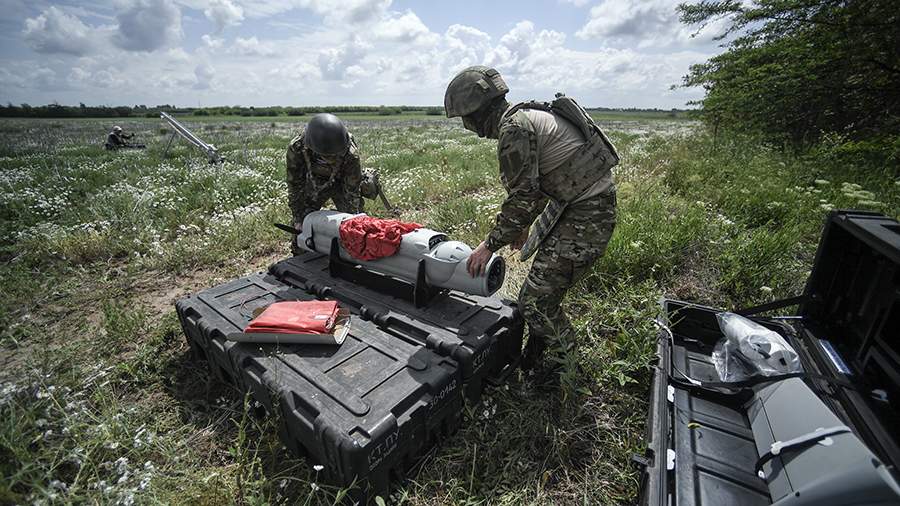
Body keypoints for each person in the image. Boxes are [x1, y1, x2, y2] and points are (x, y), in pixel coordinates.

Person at [444, 65, 619, 373]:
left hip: (586, 215)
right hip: (577, 207)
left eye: (463, 118)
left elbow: (523, 197)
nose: (465, 126)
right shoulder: (523, 115)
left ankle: (567, 369)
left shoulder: (514, 129)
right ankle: (534, 361)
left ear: (476, 112)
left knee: (536, 303)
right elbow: (535, 188)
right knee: (538, 294)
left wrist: (488, 246)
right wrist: (522, 225)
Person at [286, 113, 383, 230]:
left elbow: (352, 191)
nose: (331, 159)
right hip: (315, 183)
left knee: (354, 224)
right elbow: (295, 184)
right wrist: (298, 218)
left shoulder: (351, 154)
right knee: (301, 224)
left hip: (341, 182)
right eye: (326, 156)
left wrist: (353, 220)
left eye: (334, 156)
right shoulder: (297, 148)